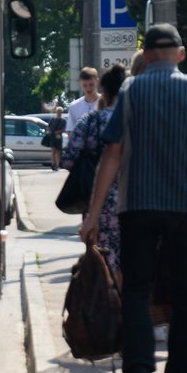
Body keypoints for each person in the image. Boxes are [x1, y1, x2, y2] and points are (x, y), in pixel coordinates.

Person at [80, 23, 187, 373]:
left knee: (137, 291)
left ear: (146, 56)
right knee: (183, 296)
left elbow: (111, 154)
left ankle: (141, 371)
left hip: (137, 207)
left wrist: (93, 215)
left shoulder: (130, 91)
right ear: (181, 55)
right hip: (185, 207)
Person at [62, 63, 127, 279]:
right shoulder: (139, 119)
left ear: (104, 91)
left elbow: (68, 159)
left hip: (100, 201)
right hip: (139, 199)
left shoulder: (90, 121)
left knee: (104, 258)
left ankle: (110, 304)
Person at [65, 67, 100, 137]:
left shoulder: (107, 103)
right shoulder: (74, 106)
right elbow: (70, 132)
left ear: (97, 81)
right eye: (85, 85)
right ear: (80, 83)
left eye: (91, 85)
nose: (88, 88)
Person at [46, 106, 67, 170]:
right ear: (56, 112)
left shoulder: (63, 120)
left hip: (58, 137)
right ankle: (53, 164)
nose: (59, 113)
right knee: (53, 151)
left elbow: (64, 129)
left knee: (57, 151)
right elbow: (48, 126)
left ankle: (57, 165)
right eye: (58, 111)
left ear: (61, 112)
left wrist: (58, 132)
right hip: (52, 137)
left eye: (60, 112)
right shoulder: (52, 119)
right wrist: (50, 132)